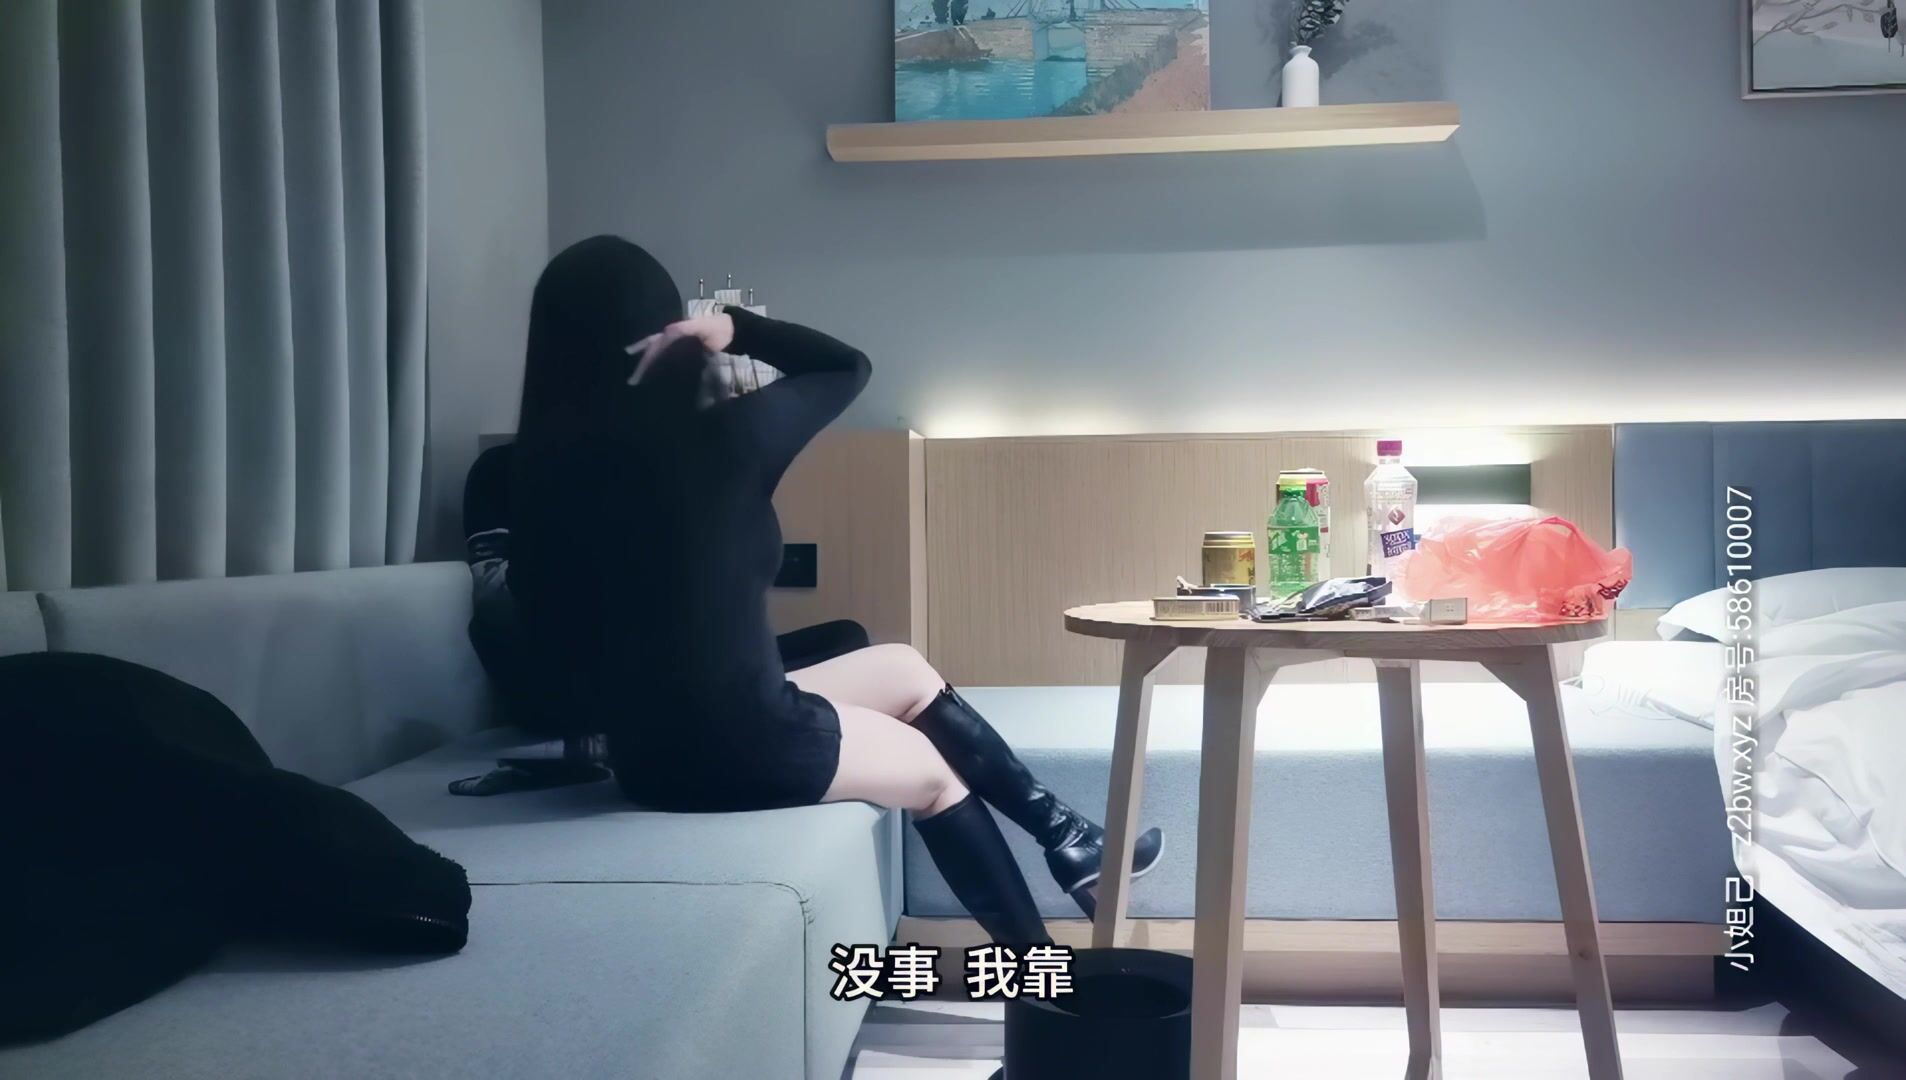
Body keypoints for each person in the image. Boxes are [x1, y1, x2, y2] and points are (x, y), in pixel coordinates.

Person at [505, 236, 1162, 944]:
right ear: (666, 331)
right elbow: (845, 366)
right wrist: (731, 328)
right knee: (933, 774)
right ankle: (1044, 995)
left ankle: (1073, 843)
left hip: (645, 753)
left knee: (903, 667)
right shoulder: (722, 440)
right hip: (733, 745)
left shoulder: (534, 477)